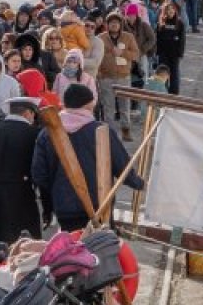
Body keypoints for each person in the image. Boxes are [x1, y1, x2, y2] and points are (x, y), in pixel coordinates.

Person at [32, 85, 144, 231]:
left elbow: (39, 175)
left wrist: (54, 198)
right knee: (98, 249)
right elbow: (122, 167)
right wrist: (139, 183)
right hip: (100, 205)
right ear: (88, 105)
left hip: (65, 208)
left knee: (71, 250)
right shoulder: (101, 131)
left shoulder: (47, 134)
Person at [0, 97, 46, 241]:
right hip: (22, 194)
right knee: (24, 248)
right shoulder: (34, 134)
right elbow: (39, 170)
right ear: (28, 113)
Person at [97, 13, 140, 141]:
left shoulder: (128, 37)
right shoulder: (101, 38)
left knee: (125, 106)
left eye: (117, 22)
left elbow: (136, 55)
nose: (114, 25)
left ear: (121, 25)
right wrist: (99, 73)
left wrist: (123, 53)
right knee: (108, 107)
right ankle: (110, 133)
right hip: (106, 77)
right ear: (107, 25)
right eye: (111, 22)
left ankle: (126, 130)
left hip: (123, 77)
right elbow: (97, 56)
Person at [155, 1, 186, 95]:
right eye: (168, 10)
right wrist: (158, 52)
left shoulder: (180, 24)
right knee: (162, 73)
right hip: (163, 53)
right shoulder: (161, 23)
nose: (171, 11)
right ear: (165, 11)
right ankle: (162, 91)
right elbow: (158, 38)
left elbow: (182, 40)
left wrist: (180, 53)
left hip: (174, 53)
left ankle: (174, 93)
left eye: (172, 9)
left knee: (174, 74)